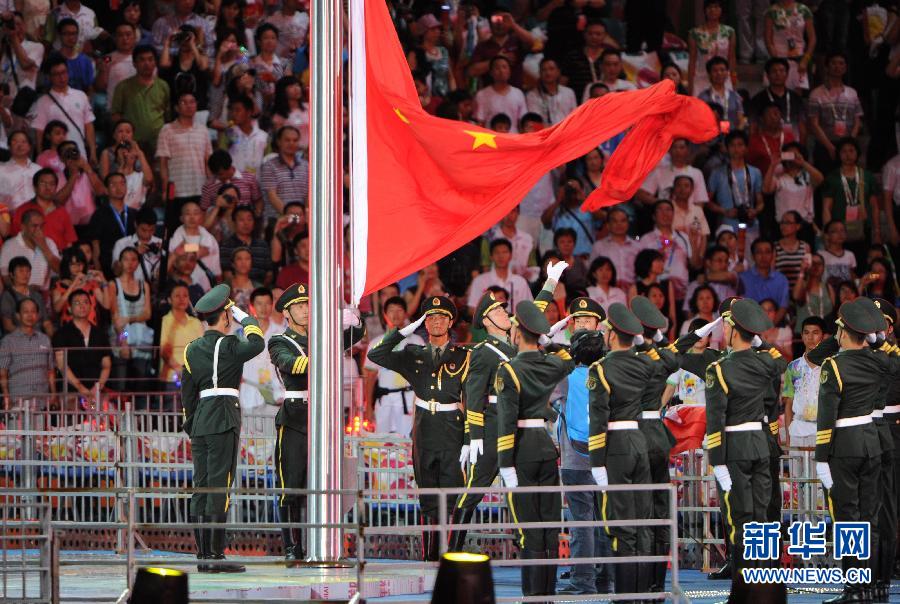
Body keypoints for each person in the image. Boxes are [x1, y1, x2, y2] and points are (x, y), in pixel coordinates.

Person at [451, 263, 567, 553]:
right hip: (492, 427)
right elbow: (473, 395)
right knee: (476, 488)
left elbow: (535, 308)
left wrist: (551, 280)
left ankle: (529, 545)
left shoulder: (515, 339)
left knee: (521, 490)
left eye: (505, 309)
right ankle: (453, 549)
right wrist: (473, 436)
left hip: (520, 425)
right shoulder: (482, 352)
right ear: (487, 321)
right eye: (500, 311)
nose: (506, 313)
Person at [367, 295, 470, 561]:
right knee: (427, 495)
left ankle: (453, 556)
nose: (436, 322)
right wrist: (403, 332)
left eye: (441, 317)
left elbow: (471, 398)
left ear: (450, 322)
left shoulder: (464, 356)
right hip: (424, 430)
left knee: (453, 493)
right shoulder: (414, 354)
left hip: (452, 429)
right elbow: (375, 354)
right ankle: (430, 558)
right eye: (430, 318)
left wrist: (470, 437)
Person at [180, 283, 266, 574]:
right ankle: (214, 556)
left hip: (201, 420)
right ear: (226, 316)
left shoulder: (191, 349)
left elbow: (188, 395)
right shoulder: (229, 344)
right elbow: (257, 342)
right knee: (219, 486)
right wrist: (245, 316)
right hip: (224, 417)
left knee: (201, 486)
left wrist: (192, 423)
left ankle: (203, 554)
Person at [495, 299, 575, 597]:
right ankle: (548, 595)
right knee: (550, 529)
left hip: (521, 452)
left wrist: (505, 464)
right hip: (545, 445)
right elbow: (567, 359)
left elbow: (506, 422)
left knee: (529, 531)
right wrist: (548, 342)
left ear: (516, 333)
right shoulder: (548, 363)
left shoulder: (508, 370)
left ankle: (533, 598)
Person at [811, 298, 888, 604]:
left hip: (843, 445)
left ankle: (854, 589)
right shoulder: (879, 361)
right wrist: (876, 337)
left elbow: (826, 417)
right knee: (869, 517)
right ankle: (869, 584)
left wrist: (820, 457)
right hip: (871, 441)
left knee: (847, 519)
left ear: (843, 332)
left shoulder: (834, 365)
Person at [705, 299, 784, 585]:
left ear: (732, 330)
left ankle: (744, 586)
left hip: (735, 448)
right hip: (760, 445)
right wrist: (760, 341)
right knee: (761, 517)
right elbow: (779, 363)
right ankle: (763, 583)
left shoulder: (719, 368)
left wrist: (717, 461)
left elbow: (716, 420)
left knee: (739, 518)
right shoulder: (766, 363)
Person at [586, 302, 654, 597]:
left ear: (612, 335)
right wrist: (644, 341)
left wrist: (596, 461)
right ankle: (643, 594)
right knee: (642, 522)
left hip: (614, 446)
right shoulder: (644, 363)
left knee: (620, 524)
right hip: (640, 441)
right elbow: (665, 360)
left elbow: (598, 417)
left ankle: (625, 596)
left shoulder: (600, 368)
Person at [363, 296, 423, 435]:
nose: (395, 314)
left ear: (406, 314)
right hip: (384, 400)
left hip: (408, 398)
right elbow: (370, 377)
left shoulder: (417, 341)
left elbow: (422, 375)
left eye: (399, 310)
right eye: (391, 310)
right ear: (384, 314)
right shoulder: (376, 343)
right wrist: (368, 407)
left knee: (406, 443)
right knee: (382, 443)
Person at [156, 92, 213, 234]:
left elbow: (208, 162)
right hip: (176, 190)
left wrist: (211, 187)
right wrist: (164, 189)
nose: (189, 105)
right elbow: (163, 163)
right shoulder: (167, 130)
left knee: (198, 231)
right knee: (175, 231)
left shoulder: (203, 130)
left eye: (192, 102)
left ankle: (195, 255)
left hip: (199, 188)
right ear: (176, 107)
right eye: (184, 102)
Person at [52, 288, 111, 409]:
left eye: (85, 302)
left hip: (95, 391)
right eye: (77, 303)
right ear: (69, 308)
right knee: (73, 423)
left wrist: (97, 387)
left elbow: (106, 365)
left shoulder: (100, 334)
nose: (82, 306)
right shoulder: (61, 334)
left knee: (97, 419)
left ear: (91, 306)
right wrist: (80, 388)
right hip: (71, 390)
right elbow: (62, 365)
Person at [821, 138, 880, 257]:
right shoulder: (832, 178)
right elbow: (826, 208)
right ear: (839, 154)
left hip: (864, 228)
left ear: (857, 153)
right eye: (843, 151)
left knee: (865, 267)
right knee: (843, 263)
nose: (848, 155)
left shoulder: (867, 176)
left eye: (851, 151)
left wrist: (877, 231)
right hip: (839, 232)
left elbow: (874, 206)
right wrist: (828, 233)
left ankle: (868, 277)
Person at [32, 55, 96, 164]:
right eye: (56, 74)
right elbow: (39, 133)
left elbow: (88, 125)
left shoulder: (81, 96)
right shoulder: (43, 102)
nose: (62, 77)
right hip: (55, 159)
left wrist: (93, 152)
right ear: (49, 76)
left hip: (80, 154)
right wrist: (40, 156)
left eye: (64, 72)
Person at [808, 53, 863, 173]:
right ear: (826, 67)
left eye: (841, 63)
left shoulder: (852, 93)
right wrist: (829, 147)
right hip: (824, 145)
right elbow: (814, 124)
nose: (837, 66)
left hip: (847, 145)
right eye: (833, 63)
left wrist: (850, 144)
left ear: (845, 68)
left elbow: (857, 120)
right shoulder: (816, 93)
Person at [708, 131, 765, 245]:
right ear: (727, 148)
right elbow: (707, 202)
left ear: (746, 148)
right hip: (727, 226)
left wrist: (755, 211)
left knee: (750, 259)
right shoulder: (717, 173)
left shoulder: (755, 172)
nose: (736, 149)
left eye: (740, 145)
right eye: (732, 145)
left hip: (750, 224)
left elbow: (760, 202)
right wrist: (724, 211)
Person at [110, 45, 170, 149]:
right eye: (142, 60)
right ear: (134, 63)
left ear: (155, 62)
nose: (147, 63)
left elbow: (167, 114)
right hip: (132, 144)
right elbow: (116, 115)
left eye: (150, 59)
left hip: (159, 142)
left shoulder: (163, 86)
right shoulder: (123, 87)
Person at [0, 298, 56, 410]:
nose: (30, 315)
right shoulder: (8, 341)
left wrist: (54, 395)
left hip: (42, 402)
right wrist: (6, 397)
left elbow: (51, 371)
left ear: (38, 315)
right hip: (18, 402)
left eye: (33, 311)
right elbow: (3, 373)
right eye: (25, 312)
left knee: (43, 427)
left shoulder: (45, 339)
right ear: (17, 315)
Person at [782, 316, 825, 449]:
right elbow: (788, 404)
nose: (810, 337)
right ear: (801, 336)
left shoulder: (830, 366)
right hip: (798, 431)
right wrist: (789, 436)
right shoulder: (793, 367)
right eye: (806, 333)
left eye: (815, 333)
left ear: (823, 336)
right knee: (797, 471)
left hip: (822, 431)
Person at [11, 167, 76, 252]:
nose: (47, 187)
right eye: (43, 183)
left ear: (56, 188)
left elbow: (69, 242)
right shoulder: (22, 210)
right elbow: (14, 239)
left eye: (52, 184)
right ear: (35, 187)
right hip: (31, 260)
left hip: (57, 260)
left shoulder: (62, 211)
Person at [636, 138, 710, 209]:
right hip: (666, 218)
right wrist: (662, 203)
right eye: (674, 147)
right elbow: (641, 194)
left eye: (681, 147)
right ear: (669, 150)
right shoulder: (660, 171)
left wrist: (692, 215)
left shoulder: (697, 173)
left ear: (688, 150)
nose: (678, 151)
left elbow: (700, 201)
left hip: (689, 218)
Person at [158, 281, 203, 393]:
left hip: (194, 378)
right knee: (171, 409)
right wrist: (179, 370)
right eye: (177, 296)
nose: (182, 299)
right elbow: (164, 351)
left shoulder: (196, 322)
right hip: (171, 378)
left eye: (185, 296)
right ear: (169, 299)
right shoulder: (164, 321)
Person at [467, 239, 533, 314]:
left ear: (511, 255)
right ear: (491, 257)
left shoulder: (520, 282)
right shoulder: (480, 281)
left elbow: (529, 309)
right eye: (497, 252)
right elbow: (472, 309)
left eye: (505, 252)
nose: (501, 256)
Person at [748, 58, 807, 143]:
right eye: (774, 71)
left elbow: (802, 128)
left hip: (791, 145)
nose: (778, 74)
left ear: (787, 75)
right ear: (767, 76)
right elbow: (753, 128)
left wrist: (800, 149)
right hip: (766, 146)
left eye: (782, 71)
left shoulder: (796, 99)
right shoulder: (757, 99)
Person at [762, 142, 822, 225]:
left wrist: (803, 162)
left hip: (804, 224)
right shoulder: (779, 177)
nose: (793, 157)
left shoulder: (807, 175)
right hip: (783, 224)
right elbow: (766, 189)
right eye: (789, 154)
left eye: (796, 154)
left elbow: (820, 180)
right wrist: (772, 165)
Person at [89, 173, 136, 277]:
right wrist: (99, 274)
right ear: (106, 189)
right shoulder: (99, 215)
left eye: (122, 183)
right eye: (113, 185)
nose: (118, 187)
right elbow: (95, 248)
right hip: (108, 269)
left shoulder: (134, 214)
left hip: (133, 267)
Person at [0, 209, 60, 290]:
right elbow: (5, 277)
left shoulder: (49, 243)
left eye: (41, 226)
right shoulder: (9, 246)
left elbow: (59, 270)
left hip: (43, 297)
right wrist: (24, 291)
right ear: (23, 227)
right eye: (34, 226)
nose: (38, 230)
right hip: (18, 297)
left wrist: (44, 247)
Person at [259, 126, 309, 225]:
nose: (291, 143)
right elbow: (272, 197)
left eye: (295, 140)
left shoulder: (306, 166)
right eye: (287, 140)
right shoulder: (269, 166)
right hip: (277, 222)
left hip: (301, 223)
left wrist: (305, 217)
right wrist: (294, 218)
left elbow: (308, 195)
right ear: (279, 142)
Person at [763, 0, 815, 92]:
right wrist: (773, 55)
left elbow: (812, 39)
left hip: (799, 57)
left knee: (796, 95)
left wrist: (805, 59)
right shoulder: (771, 11)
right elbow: (767, 37)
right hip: (778, 56)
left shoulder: (803, 10)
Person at [687, 0, 736, 96]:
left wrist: (733, 80)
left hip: (723, 77)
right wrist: (690, 84)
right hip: (701, 78)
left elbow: (731, 58)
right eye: (709, 7)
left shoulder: (729, 32)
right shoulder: (695, 33)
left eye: (716, 7)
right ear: (705, 10)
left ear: (721, 10)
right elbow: (692, 60)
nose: (713, 10)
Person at [738, 239, 790, 324]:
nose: (763, 256)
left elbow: (783, 307)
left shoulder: (781, 279)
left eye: (767, 252)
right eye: (759, 252)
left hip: (775, 327)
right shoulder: (743, 278)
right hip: (748, 327)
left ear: (773, 255)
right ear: (752, 256)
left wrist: (769, 327)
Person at [473, 56, 526, 133]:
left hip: (513, 139)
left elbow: (522, 122)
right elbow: (480, 123)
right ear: (491, 72)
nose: (501, 71)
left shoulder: (518, 93)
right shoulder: (482, 95)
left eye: (504, 67)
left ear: (509, 71)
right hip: (491, 140)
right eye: (497, 68)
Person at [590, 207, 639, 290]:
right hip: (607, 291)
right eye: (615, 221)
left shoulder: (637, 246)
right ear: (608, 225)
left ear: (628, 224)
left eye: (623, 221)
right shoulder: (599, 246)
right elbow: (591, 272)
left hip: (633, 291)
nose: (619, 224)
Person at [112, 206, 162, 284]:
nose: (147, 234)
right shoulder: (122, 244)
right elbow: (116, 272)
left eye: (152, 230)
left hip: (156, 288)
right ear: (136, 224)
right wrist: (134, 254)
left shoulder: (160, 243)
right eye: (143, 230)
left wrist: (165, 254)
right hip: (130, 287)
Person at [526, 57, 576, 126]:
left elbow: (574, 117)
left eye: (551, 69)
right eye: (544, 70)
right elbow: (535, 120)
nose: (548, 73)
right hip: (544, 133)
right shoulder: (532, 95)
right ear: (539, 73)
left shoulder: (569, 92)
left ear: (558, 71)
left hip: (566, 131)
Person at [0, 131, 41, 212]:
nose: (19, 145)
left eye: (24, 141)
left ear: (29, 146)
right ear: (9, 146)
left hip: (36, 216)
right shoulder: (1, 169)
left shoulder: (38, 169)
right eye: (15, 141)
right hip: (9, 217)